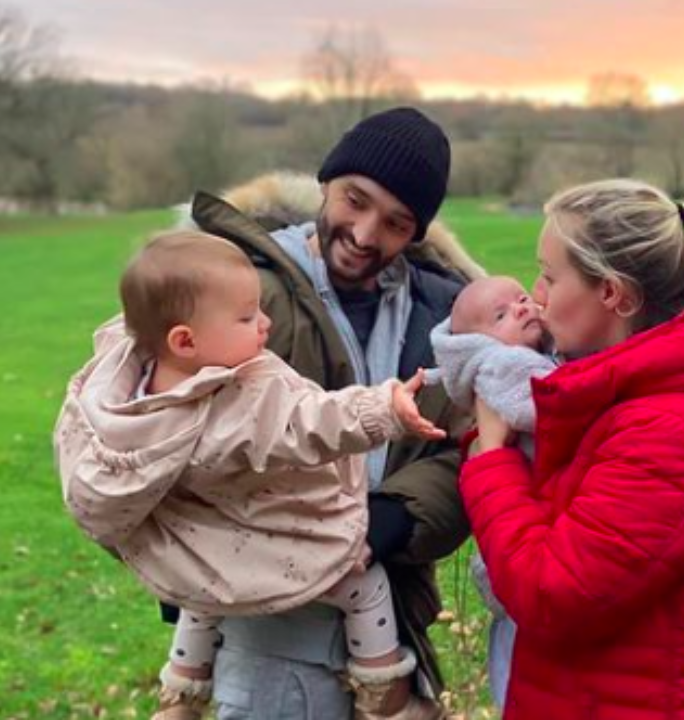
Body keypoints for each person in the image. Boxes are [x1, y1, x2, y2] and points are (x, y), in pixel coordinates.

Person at [55, 231, 449, 720]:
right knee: (362, 583)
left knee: (201, 594)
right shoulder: (234, 409)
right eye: (247, 317)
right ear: (185, 340)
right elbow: (311, 421)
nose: (265, 323)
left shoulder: (126, 392)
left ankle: (181, 693)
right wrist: (384, 409)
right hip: (273, 545)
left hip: (198, 551)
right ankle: (386, 696)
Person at [183, 107, 478, 719]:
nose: (366, 235)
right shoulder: (241, 294)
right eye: (355, 200)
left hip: (392, 621)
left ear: (416, 233)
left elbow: (466, 449)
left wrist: (396, 517)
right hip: (271, 639)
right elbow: (170, 433)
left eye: (396, 223)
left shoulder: (445, 317)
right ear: (325, 182)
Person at [460, 179, 684, 719]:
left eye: (550, 276)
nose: (537, 294)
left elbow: (550, 595)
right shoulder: (623, 389)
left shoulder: (667, 434)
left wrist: (491, 461)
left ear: (614, 294)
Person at [425, 275, 558, 709]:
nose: (521, 308)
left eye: (522, 299)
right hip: (522, 523)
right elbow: (546, 404)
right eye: (501, 315)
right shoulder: (501, 365)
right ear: (475, 343)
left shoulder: (530, 353)